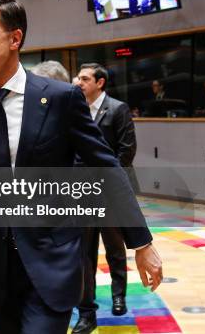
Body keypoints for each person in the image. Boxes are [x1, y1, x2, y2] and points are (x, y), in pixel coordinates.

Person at [0, 0, 162, 333]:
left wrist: (141, 242)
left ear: (15, 38)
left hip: (51, 260)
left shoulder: (60, 98)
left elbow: (106, 167)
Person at [73, 63, 138, 333]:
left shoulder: (118, 109)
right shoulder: (73, 108)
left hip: (110, 193)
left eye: (85, 79)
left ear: (100, 83)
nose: (79, 83)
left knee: (114, 247)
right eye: (78, 78)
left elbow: (127, 151)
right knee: (83, 254)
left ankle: (118, 295)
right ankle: (87, 312)